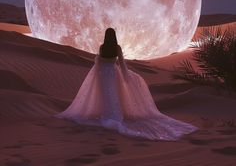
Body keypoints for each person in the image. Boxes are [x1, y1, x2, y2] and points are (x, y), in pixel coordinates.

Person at [55, 28, 197, 140]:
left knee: (105, 95)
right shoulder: (117, 47)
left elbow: (98, 62)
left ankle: (108, 115)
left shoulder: (102, 46)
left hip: (103, 73)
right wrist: (127, 75)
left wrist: (97, 74)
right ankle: (114, 116)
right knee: (114, 95)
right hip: (113, 72)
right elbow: (122, 63)